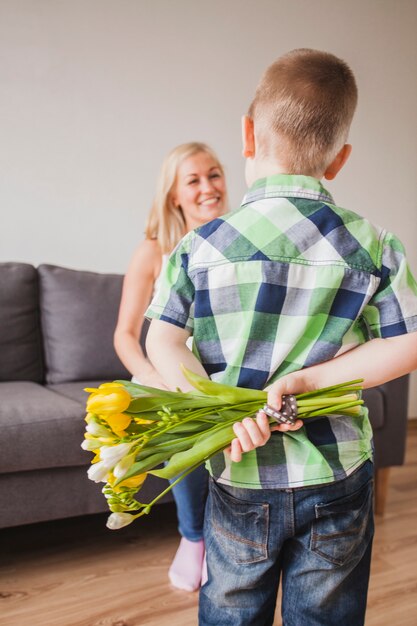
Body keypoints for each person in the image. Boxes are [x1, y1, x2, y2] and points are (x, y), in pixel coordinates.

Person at [144, 48, 417, 626]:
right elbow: (409, 341)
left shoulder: (199, 247)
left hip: (241, 472)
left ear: (247, 134)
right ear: (339, 160)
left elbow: (161, 341)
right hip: (336, 471)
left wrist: (222, 412)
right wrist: (312, 379)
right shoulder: (374, 245)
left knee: (232, 606)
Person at [113, 142, 228, 592]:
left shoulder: (237, 241)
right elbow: (125, 334)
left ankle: (231, 536)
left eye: (214, 175)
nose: (207, 188)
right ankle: (193, 537)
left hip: (220, 375)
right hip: (165, 375)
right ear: (174, 195)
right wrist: (152, 376)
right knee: (175, 412)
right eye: (193, 180)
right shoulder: (154, 251)